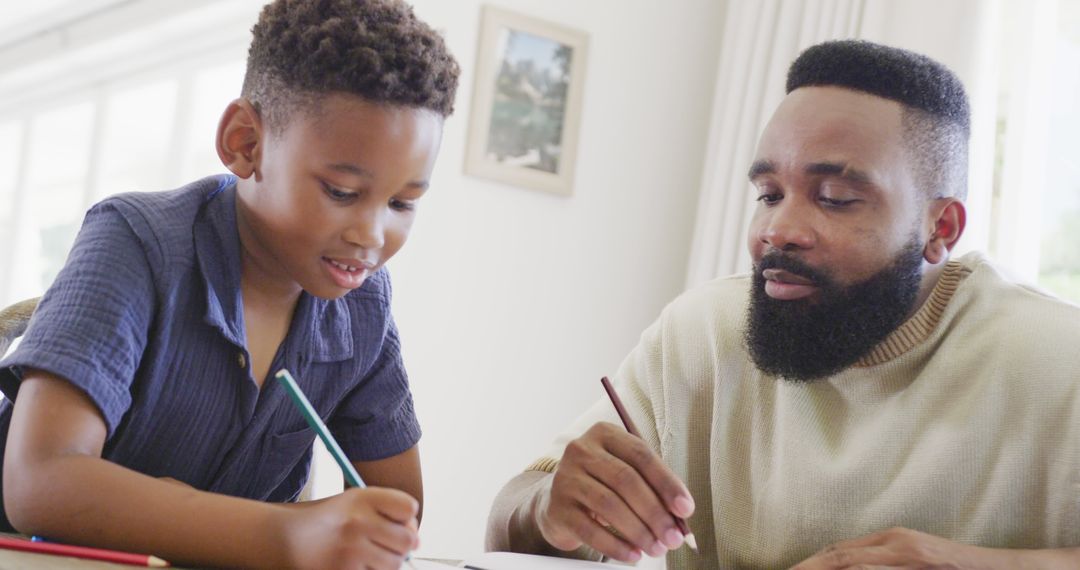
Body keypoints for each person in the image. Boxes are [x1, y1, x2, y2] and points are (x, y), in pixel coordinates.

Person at [486, 40, 1080, 569]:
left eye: (837, 198)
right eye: (769, 193)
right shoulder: (700, 336)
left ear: (940, 226)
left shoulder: (1058, 361)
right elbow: (507, 522)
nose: (779, 229)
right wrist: (549, 510)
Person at [0, 0, 458, 568]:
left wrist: (346, 531)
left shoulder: (362, 304)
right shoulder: (137, 242)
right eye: (341, 192)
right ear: (245, 143)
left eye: (401, 202)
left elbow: (397, 509)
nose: (371, 235)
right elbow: (40, 482)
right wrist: (286, 534)